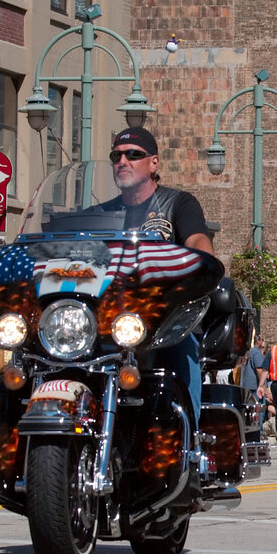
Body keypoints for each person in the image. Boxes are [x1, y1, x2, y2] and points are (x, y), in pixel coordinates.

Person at [101, 127, 214, 424]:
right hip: (109, 320)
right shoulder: (100, 214)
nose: (122, 161)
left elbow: (197, 240)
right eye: (117, 155)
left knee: (182, 351)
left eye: (133, 155)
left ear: (153, 163)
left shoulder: (177, 204)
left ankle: (189, 440)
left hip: (164, 319)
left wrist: (204, 262)